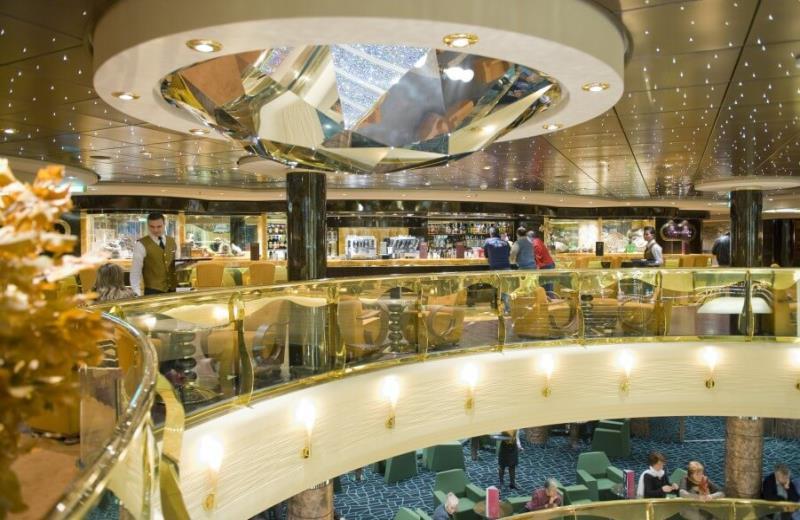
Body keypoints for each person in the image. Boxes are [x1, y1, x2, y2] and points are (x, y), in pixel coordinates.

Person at [130, 212, 178, 296]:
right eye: (152, 227)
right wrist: (137, 294)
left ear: (164, 224)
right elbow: (135, 273)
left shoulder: (172, 241)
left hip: (173, 290)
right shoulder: (140, 245)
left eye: (159, 226)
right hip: (152, 292)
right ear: (148, 226)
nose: (155, 230)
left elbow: (174, 264)